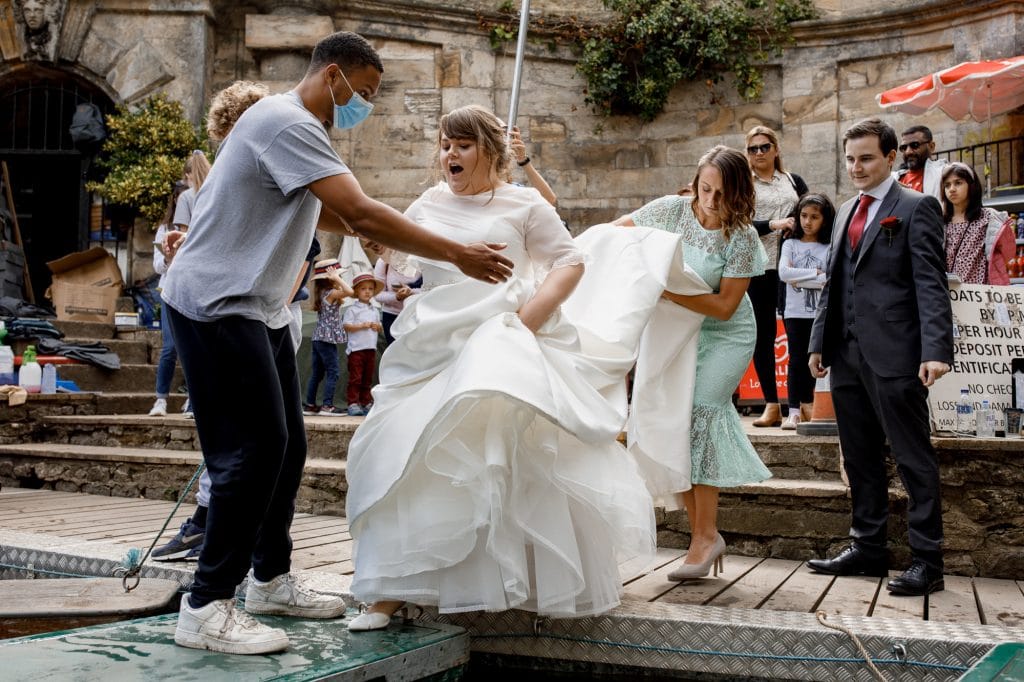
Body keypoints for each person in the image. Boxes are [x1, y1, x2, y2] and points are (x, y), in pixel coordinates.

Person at [160, 32, 513, 655]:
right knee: (253, 450)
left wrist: (373, 231)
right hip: (215, 304)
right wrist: (456, 250)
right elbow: (359, 209)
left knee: (287, 447)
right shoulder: (285, 120)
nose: (364, 106)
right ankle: (207, 604)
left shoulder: (295, 129)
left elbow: (329, 211)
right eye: (365, 93)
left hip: (257, 307)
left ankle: (268, 581)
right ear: (332, 79)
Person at [344, 104, 655, 630]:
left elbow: (570, 261)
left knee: (507, 453)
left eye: (462, 145)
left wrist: (526, 322)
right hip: (434, 340)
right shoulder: (426, 202)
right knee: (406, 449)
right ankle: (393, 588)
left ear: (490, 151)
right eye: (445, 145)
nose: (450, 155)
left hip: (504, 334)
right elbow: (402, 255)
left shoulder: (525, 204)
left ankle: (524, 577)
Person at [807, 117, 953, 597]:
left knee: (913, 458)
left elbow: (930, 283)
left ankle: (928, 561)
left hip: (897, 355)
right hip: (846, 356)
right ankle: (868, 548)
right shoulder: (846, 208)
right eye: (850, 159)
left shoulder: (917, 207)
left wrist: (935, 350)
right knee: (860, 456)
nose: (856, 167)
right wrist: (817, 344)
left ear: (891, 157)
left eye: (866, 158)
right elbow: (835, 280)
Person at [614, 146, 772, 581]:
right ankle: (705, 535)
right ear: (695, 182)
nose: (711, 201)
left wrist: (663, 291)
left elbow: (724, 307)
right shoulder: (669, 212)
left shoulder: (742, 237)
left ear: (738, 194)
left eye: (722, 193)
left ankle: (703, 538)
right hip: (674, 334)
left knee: (699, 413)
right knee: (672, 420)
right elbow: (615, 234)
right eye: (705, 189)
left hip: (725, 336)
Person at [744, 126, 808, 427]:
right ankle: (771, 404)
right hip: (760, 266)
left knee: (798, 335)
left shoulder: (793, 180)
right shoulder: (744, 184)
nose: (759, 153)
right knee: (764, 337)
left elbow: (813, 211)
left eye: (764, 146)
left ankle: (800, 403)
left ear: (776, 149)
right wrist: (774, 223)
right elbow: (738, 221)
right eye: (753, 148)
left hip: (795, 265)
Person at [148, 151, 210, 418]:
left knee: (180, 345)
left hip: (184, 284)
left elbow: (182, 240)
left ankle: (187, 401)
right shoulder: (217, 195)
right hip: (197, 283)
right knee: (185, 347)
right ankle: (172, 401)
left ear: (187, 176)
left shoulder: (189, 198)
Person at [777, 193, 835, 430]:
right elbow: (783, 274)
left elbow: (828, 279)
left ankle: (814, 405)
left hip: (819, 313)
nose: (808, 222)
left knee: (818, 359)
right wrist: (816, 277)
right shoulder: (790, 244)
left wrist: (799, 278)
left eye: (814, 217)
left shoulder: (828, 247)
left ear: (824, 219)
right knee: (797, 360)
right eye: (803, 216)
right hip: (794, 311)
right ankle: (793, 411)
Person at [147, 180, 188, 419]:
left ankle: (193, 399)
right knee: (170, 347)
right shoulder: (164, 229)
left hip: (192, 292)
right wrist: (169, 258)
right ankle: (161, 399)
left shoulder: (198, 226)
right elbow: (156, 265)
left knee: (192, 348)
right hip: (169, 291)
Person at [940, 161, 1015, 285]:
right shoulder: (941, 221)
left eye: (958, 183)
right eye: (947, 185)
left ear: (971, 185)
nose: (952, 189)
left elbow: (1008, 253)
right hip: (948, 294)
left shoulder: (989, 217)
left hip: (980, 295)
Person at [303, 258, 354, 416]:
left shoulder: (323, 293)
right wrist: (336, 278)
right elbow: (351, 292)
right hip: (326, 339)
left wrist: (336, 280)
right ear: (329, 278)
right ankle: (327, 406)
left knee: (317, 373)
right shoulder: (331, 293)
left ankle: (310, 405)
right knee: (334, 372)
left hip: (318, 338)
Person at [341, 272, 383, 416]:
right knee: (356, 378)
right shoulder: (352, 309)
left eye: (370, 289)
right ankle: (353, 403)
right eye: (363, 289)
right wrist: (362, 326)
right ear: (357, 292)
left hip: (370, 349)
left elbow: (379, 326)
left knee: (367, 377)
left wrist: (377, 327)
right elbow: (346, 326)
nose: (367, 291)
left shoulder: (375, 310)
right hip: (356, 349)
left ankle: (366, 402)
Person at [373, 255, 420, 346]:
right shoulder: (383, 261)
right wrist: (396, 297)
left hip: (416, 315)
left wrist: (411, 292)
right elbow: (377, 294)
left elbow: (432, 289)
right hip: (392, 317)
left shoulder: (421, 259)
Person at [896, 125, 946, 199]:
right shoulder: (894, 178)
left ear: (931, 146)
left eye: (915, 145)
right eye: (904, 147)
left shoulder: (944, 174)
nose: (908, 152)